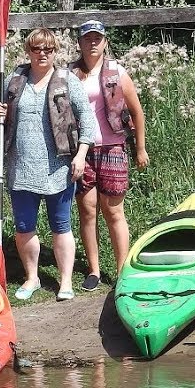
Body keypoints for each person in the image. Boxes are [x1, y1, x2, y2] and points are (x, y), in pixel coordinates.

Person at [0, 28, 100, 301]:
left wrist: (80, 155)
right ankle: (32, 278)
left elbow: (88, 121)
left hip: (58, 167)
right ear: (28, 51)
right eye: (37, 49)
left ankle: (65, 282)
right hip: (20, 167)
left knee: (61, 225)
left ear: (55, 52)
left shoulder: (67, 81)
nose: (42, 54)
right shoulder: (14, 82)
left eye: (48, 50)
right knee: (24, 227)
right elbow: (4, 120)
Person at [68, 20, 149, 291]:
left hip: (113, 147)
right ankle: (93, 270)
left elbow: (137, 112)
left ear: (105, 42)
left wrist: (140, 147)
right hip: (81, 150)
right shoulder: (69, 74)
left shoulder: (117, 72)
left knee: (113, 210)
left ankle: (121, 269)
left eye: (97, 38)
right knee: (87, 211)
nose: (92, 42)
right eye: (87, 38)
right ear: (79, 42)